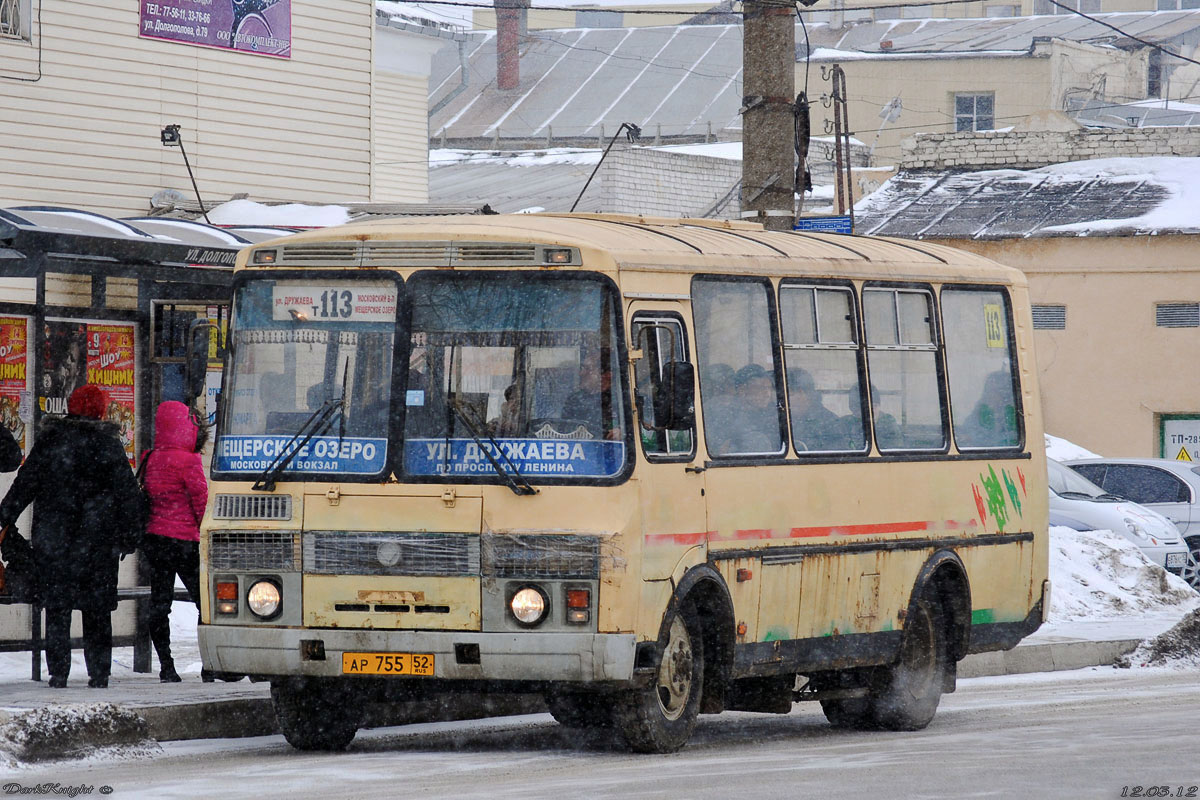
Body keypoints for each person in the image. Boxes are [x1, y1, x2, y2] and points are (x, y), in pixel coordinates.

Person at [0, 384, 141, 688]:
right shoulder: (108, 444)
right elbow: (128, 495)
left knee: (57, 608)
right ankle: (100, 673)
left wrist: (5, 516)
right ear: (100, 410)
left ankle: (58, 673)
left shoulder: (52, 440)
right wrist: (129, 536)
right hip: (97, 544)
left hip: (55, 542)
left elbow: (26, 482)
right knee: (97, 611)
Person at [141, 401, 208, 683]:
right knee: (204, 603)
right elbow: (201, 501)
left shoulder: (150, 457)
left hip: (156, 541)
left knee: (160, 603)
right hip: (186, 543)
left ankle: (166, 665)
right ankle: (210, 665)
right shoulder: (189, 461)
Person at [713, 363, 781, 455]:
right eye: (760, 388)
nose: (767, 394)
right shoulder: (725, 416)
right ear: (742, 390)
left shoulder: (775, 414)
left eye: (769, 388)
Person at [786, 367, 847, 451]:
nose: (783, 401)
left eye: (789, 394)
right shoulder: (780, 418)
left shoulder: (829, 423)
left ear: (801, 393)